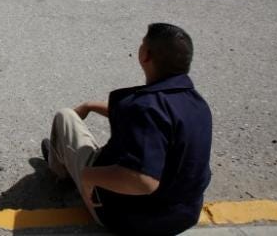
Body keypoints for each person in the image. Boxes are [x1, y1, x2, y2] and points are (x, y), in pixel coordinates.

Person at [41, 23, 212, 236]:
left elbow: (143, 181)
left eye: (143, 43)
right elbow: (144, 120)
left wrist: (88, 176)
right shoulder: (196, 104)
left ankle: (61, 170)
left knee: (65, 117)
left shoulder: (147, 108)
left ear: (145, 55)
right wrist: (91, 106)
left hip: (128, 217)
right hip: (183, 214)